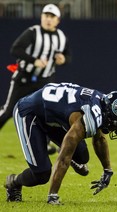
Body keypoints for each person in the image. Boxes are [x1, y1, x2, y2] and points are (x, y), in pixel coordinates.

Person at [4, 82, 117, 204]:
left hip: (53, 115)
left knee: (82, 157)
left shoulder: (102, 104)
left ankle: (63, 150)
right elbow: (63, 159)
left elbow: (100, 139)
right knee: (42, 174)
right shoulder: (85, 118)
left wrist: (107, 170)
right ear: (112, 117)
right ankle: (14, 182)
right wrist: (53, 195)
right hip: (30, 113)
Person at [0, 4, 71, 154]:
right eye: (46, 15)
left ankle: (44, 144)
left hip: (44, 81)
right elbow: (15, 49)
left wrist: (62, 59)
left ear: (57, 20)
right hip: (24, 78)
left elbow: (68, 56)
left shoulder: (61, 37)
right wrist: (34, 60)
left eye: (52, 17)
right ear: (41, 17)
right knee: (8, 111)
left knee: (47, 114)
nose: (48, 19)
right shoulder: (33, 32)